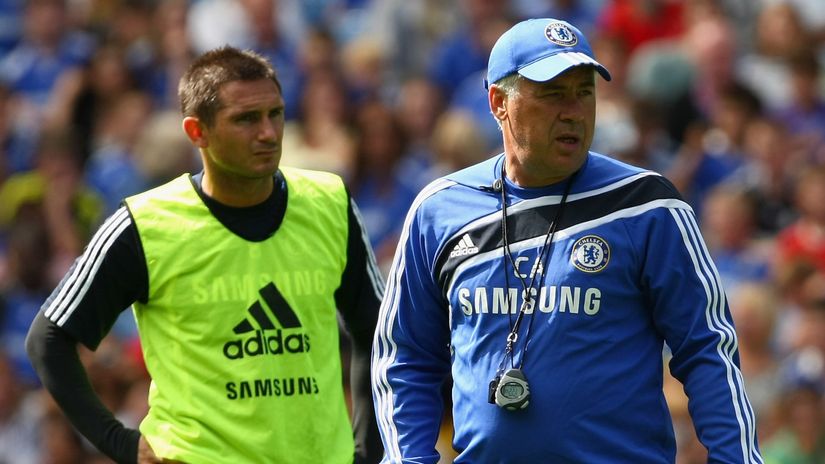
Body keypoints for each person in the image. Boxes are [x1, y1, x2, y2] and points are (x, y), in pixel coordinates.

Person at [371, 18, 763, 463]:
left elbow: (707, 348)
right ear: (499, 102)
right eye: (553, 93)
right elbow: (405, 360)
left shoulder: (647, 206)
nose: (574, 110)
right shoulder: (437, 211)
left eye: (584, 92)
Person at [26, 46, 384, 464]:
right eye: (246, 119)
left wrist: (366, 448)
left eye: (275, 114)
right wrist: (121, 443)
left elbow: (377, 331)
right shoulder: (145, 225)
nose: (268, 133)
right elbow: (48, 340)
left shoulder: (330, 203)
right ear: (198, 132)